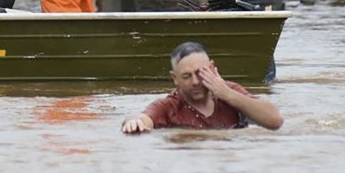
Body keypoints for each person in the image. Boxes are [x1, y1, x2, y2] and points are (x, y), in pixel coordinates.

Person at [121, 41, 284, 133]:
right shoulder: (170, 106)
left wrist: (228, 95)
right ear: (175, 78)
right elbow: (142, 118)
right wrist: (133, 122)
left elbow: (275, 121)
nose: (195, 82)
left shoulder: (230, 92)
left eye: (200, 73)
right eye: (187, 76)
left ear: (212, 68)